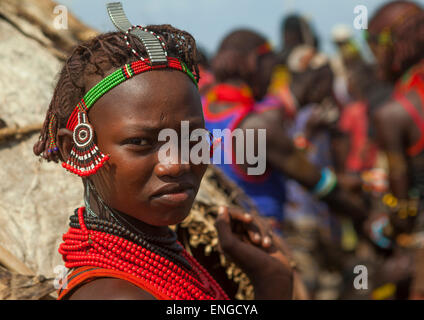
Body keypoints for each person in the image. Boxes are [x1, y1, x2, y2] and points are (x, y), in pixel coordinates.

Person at [33, 5, 294, 300]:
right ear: (74, 147)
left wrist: (270, 277)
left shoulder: (178, 260)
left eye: (192, 138)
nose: (178, 162)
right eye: (141, 142)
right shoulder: (118, 296)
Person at [204, 30, 367, 232]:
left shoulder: (198, 112)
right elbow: (319, 186)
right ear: (254, 62)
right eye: (271, 67)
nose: (272, 78)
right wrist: (368, 218)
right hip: (262, 246)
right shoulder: (256, 127)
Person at [365, 0, 424, 298]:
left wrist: (381, 225)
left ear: (395, 45)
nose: (374, 57)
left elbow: (404, 212)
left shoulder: (394, 113)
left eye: (374, 45)